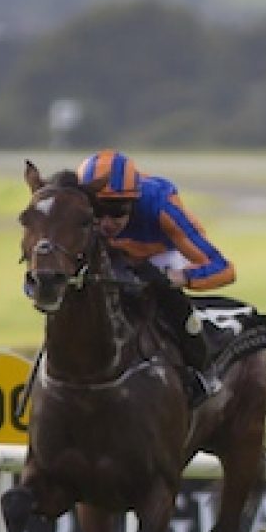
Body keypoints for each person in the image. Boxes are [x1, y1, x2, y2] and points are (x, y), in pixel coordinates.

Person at [76, 150, 235, 404]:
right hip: (109, 254)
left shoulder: (160, 206)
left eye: (116, 210)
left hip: (159, 256)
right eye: (98, 210)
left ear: (133, 202)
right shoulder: (78, 212)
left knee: (170, 299)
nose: (106, 222)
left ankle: (203, 370)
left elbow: (224, 269)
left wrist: (182, 278)